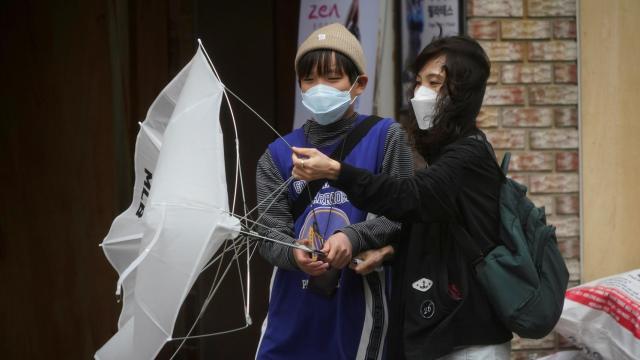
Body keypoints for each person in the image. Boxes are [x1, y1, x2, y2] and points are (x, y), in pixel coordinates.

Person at [291, 36, 513, 360]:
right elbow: (435, 233)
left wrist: (336, 171)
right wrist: (388, 253)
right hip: (438, 334)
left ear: (463, 94)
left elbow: (406, 197)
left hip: (469, 340)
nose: (421, 93)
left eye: (435, 82)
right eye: (419, 81)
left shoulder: (468, 156)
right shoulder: (445, 154)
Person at [255, 23, 413, 360]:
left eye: (332, 77)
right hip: (290, 317)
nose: (319, 88)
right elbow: (268, 235)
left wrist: (351, 237)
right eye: (309, 80)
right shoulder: (277, 153)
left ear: (359, 84)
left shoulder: (386, 137)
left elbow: (402, 215)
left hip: (359, 313)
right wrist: (293, 251)